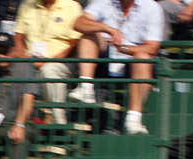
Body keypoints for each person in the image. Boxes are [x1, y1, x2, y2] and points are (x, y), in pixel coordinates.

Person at [67, 0, 165, 135]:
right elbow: (78, 23)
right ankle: (85, 87)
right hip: (106, 56)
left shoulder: (152, 7)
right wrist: (107, 29)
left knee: (143, 57)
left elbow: (153, 47)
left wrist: (123, 48)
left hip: (132, 57)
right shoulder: (104, 2)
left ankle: (134, 118)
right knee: (88, 36)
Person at [12, 0, 83, 125]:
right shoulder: (27, 5)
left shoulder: (71, 6)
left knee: (49, 70)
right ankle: (17, 123)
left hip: (63, 60)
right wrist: (22, 55)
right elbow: (18, 36)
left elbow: (75, 43)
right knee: (15, 68)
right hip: (30, 60)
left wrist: (49, 61)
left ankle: (59, 123)